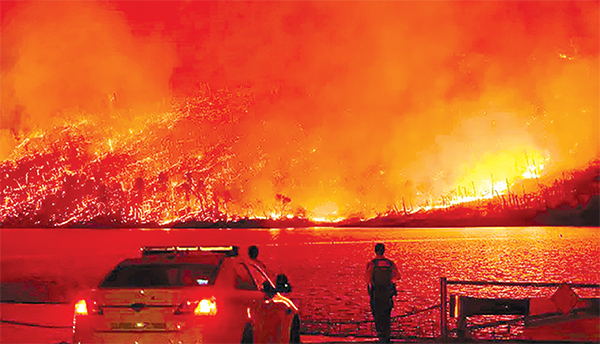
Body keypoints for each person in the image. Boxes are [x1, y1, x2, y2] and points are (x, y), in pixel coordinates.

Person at [365, 243, 400, 343]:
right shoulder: (390, 263)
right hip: (387, 293)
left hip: (376, 293)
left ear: (375, 251)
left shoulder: (372, 263)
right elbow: (397, 276)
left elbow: (367, 279)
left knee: (377, 315)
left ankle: (381, 336)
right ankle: (386, 336)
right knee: (386, 315)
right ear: (384, 250)